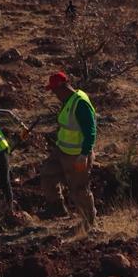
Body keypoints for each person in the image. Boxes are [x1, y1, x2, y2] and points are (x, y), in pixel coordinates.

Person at [38, 71, 97, 232]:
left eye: (54, 91)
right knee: (47, 174)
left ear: (62, 87)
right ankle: (57, 208)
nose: (54, 94)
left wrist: (84, 155)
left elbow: (90, 132)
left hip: (77, 155)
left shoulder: (80, 103)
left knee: (79, 190)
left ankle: (89, 223)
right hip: (61, 151)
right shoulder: (68, 100)